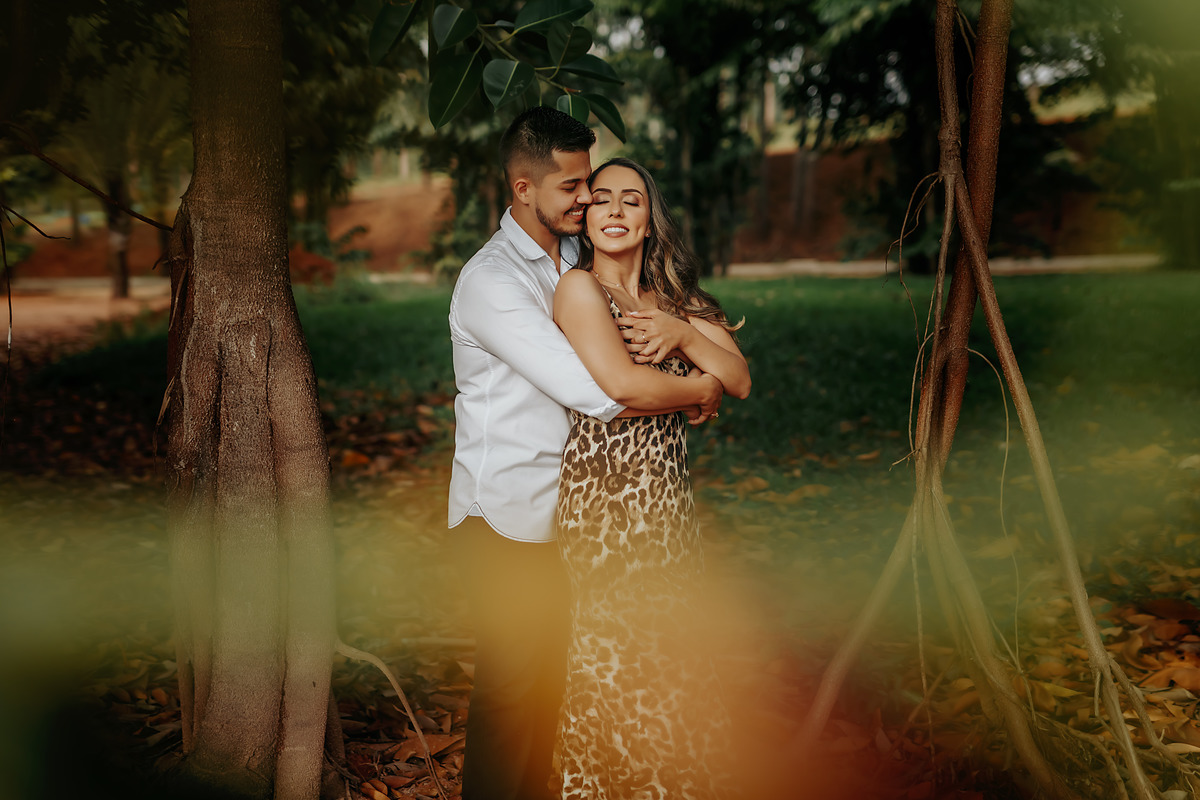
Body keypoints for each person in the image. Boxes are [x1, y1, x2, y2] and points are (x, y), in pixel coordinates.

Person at [447, 108, 725, 800]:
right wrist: (701, 387)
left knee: (554, 694)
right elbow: (603, 391)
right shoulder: (492, 281)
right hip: (506, 517)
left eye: (588, 183)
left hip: (571, 518)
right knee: (512, 697)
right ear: (523, 189)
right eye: (572, 187)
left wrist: (692, 346)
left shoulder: (573, 260)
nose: (586, 198)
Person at [552, 157, 750, 800]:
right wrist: (700, 387)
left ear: (648, 219)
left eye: (630, 200)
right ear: (587, 218)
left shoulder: (673, 303)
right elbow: (623, 387)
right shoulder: (579, 290)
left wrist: (680, 334)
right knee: (617, 658)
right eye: (601, 198)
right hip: (605, 500)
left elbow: (740, 378)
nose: (613, 209)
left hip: (667, 502)